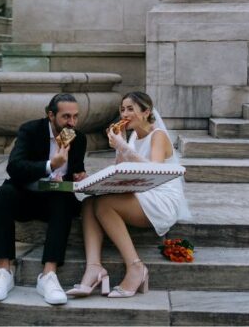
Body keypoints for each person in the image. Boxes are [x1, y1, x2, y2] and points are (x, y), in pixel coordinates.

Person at [67, 90, 189, 299]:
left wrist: (124, 147)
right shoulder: (132, 136)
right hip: (140, 194)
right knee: (88, 203)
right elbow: (121, 172)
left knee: (104, 205)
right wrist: (120, 146)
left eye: (130, 109)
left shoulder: (157, 135)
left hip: (160, 199)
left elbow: (155, 171)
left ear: (146, 111)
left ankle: (136, 267)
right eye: (122, 109)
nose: (124, 113)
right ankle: (94, 268)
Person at [0, 93, 88, 305]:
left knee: (63, 200)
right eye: (66, 117)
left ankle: (48, 275)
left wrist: (80, 175)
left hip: (54, 201)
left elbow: (76, 169)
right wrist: (51, 164)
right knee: (3, 194)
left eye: (75, 117)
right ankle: (4, 271)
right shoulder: (30, 130)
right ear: (51, 115)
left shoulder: (79, 138)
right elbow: (14, 167)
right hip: (26, 195)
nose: (72, 123)